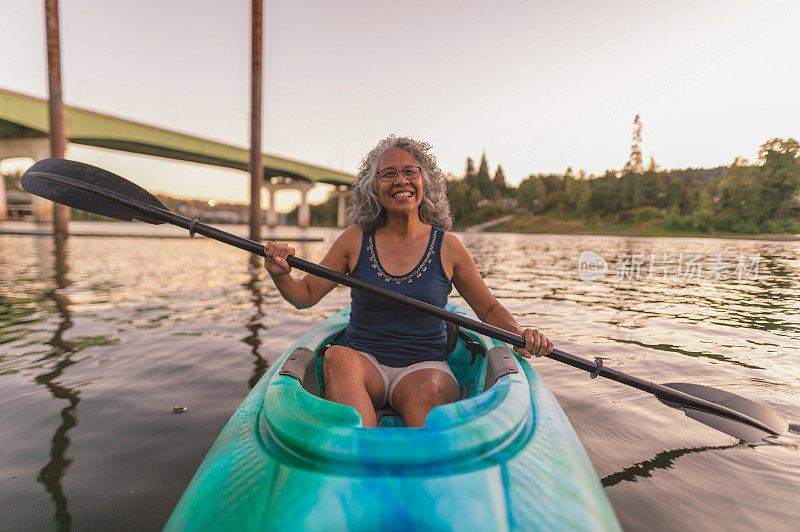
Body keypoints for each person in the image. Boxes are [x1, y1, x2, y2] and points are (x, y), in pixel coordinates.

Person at [264, 136, 553, 428]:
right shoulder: (354, 238)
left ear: (424, 180)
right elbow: (306, 294)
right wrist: (281, 275)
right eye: (388, 174)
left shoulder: (449, 247)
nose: (400, 181)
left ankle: (427, 455)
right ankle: (359, 449)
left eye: (410, 172)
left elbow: (488, 309)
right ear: (373, 187)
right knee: (337, 357)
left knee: (425, 395)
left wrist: (519, 334)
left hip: (425, 367)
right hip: (365, 364)